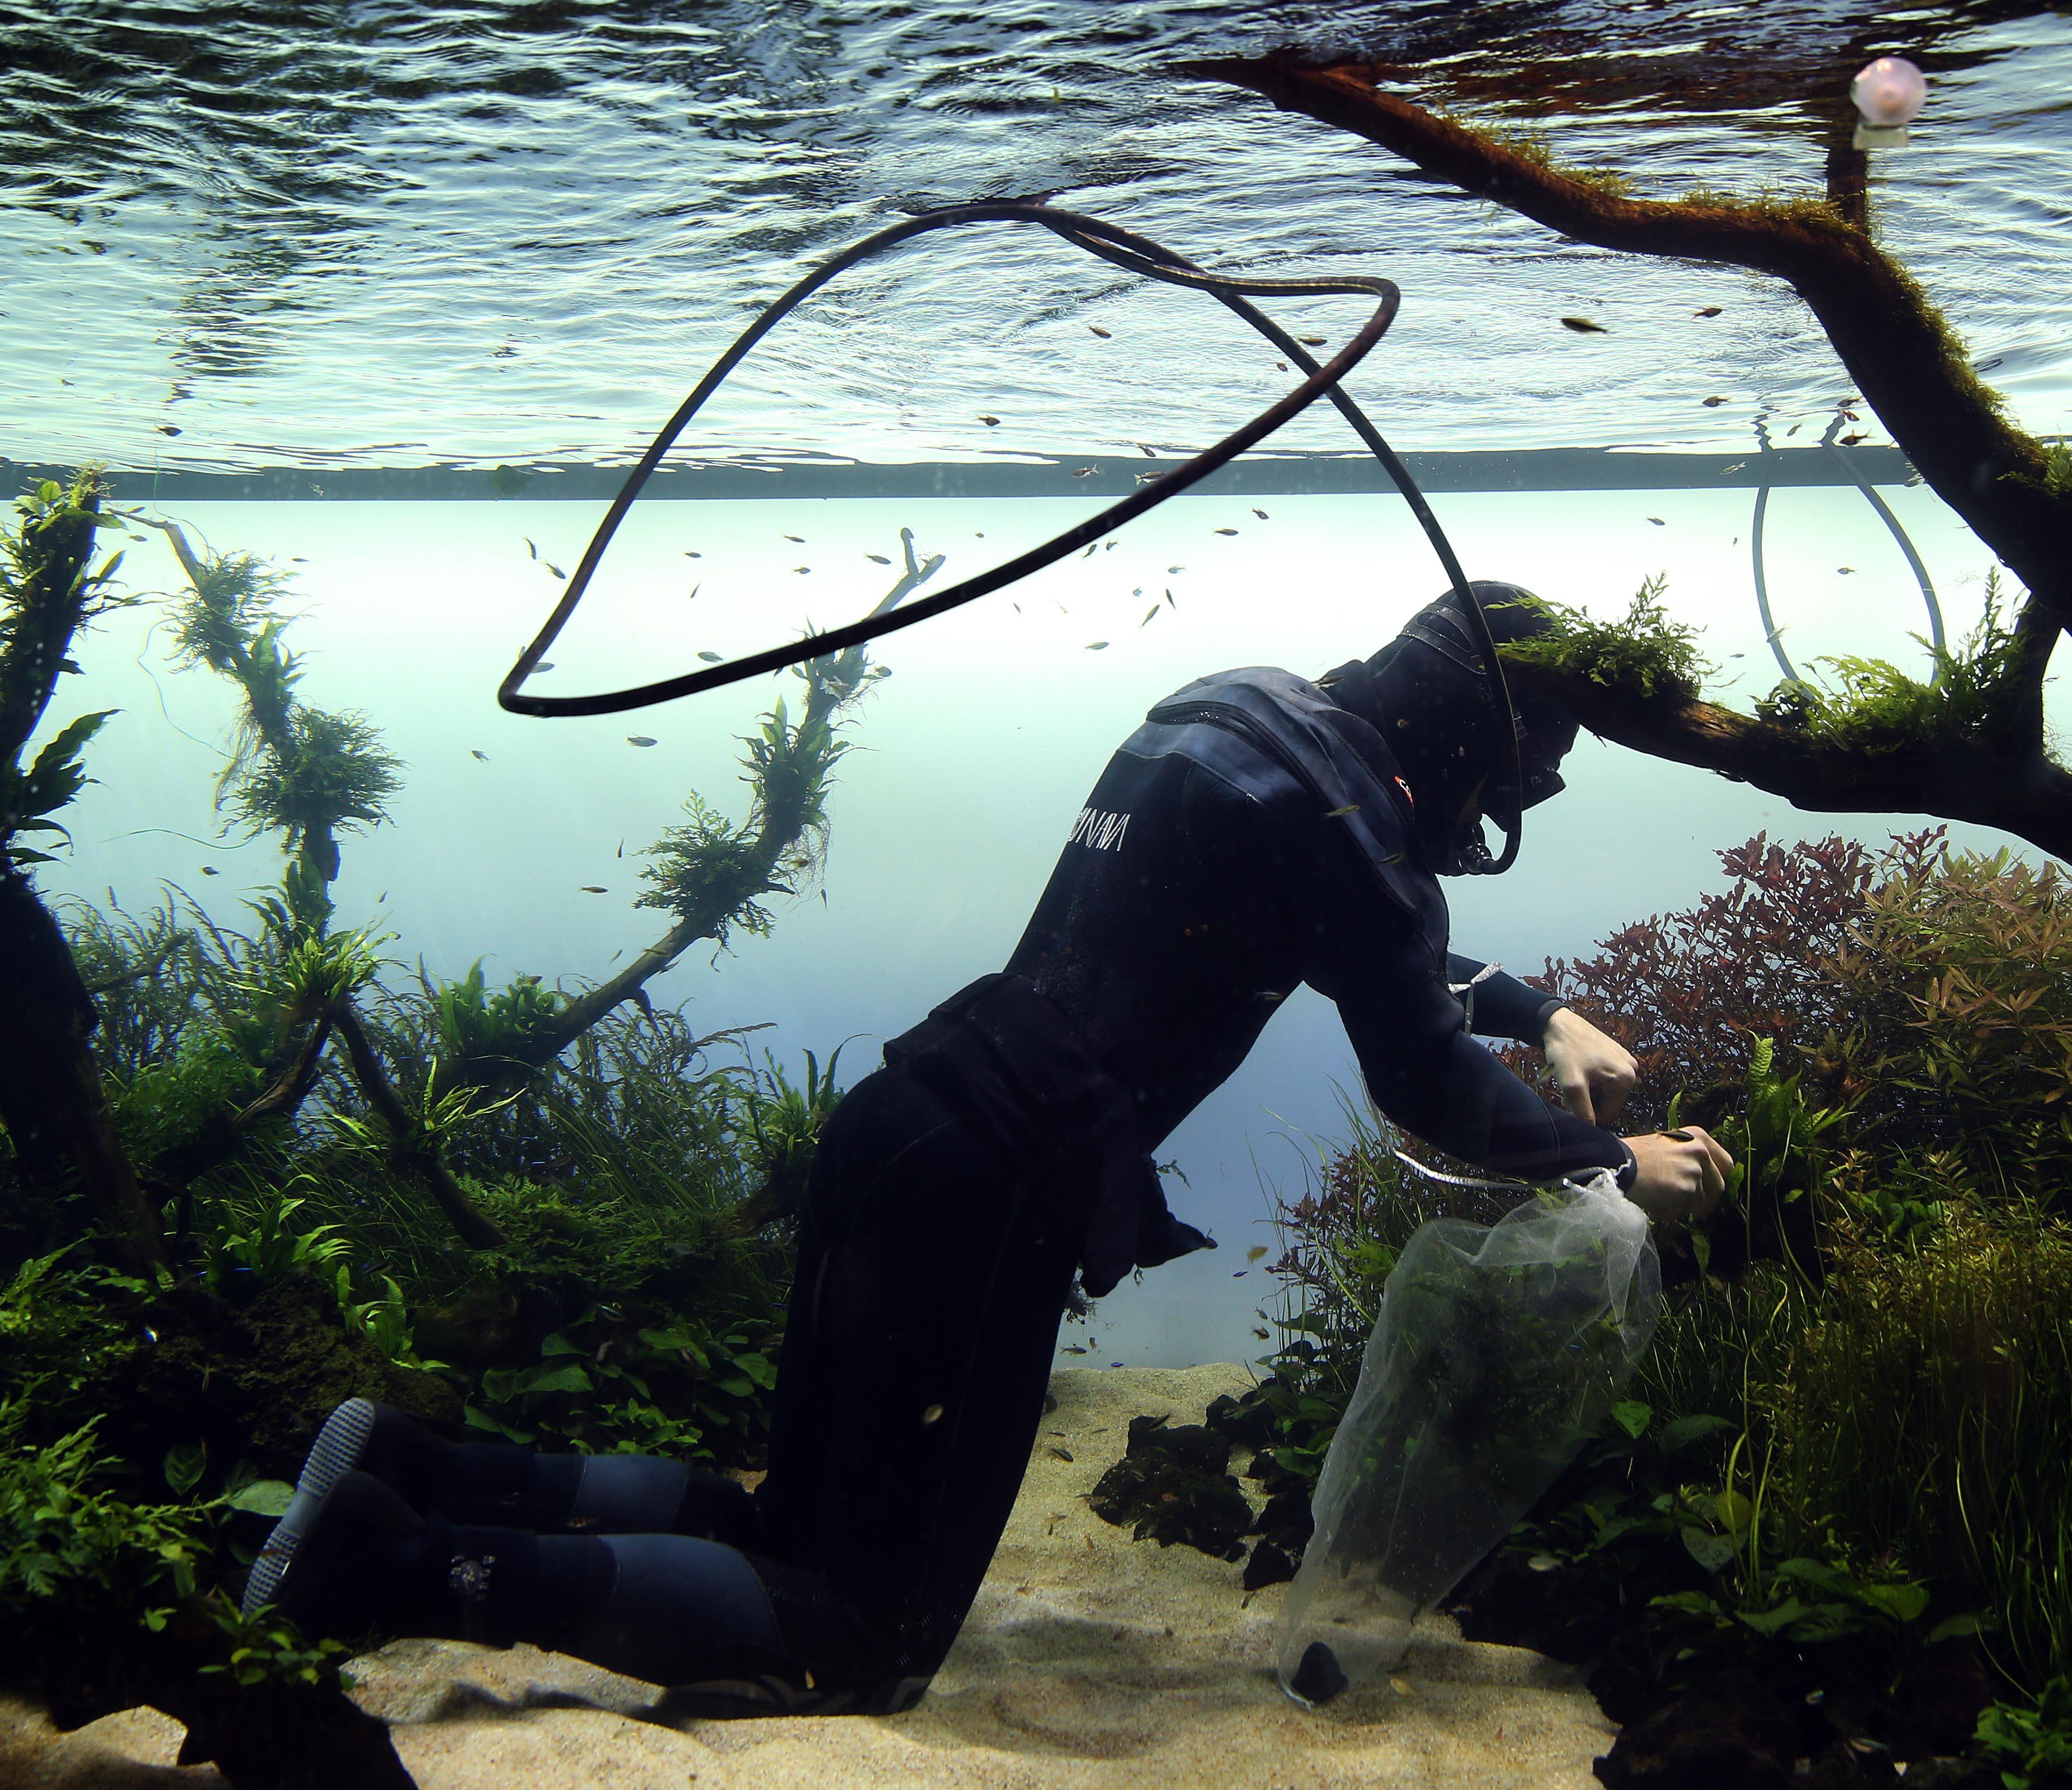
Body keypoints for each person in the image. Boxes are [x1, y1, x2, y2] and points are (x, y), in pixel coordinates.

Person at [241, 580, 1733, 1715]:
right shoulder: (1358, 844)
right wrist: (1613, 1165)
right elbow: (1428, 1084)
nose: (1498, 813)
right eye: (1515, 780)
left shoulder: (1231, 711)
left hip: (901, 1124)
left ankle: (421, 1462)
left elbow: (1337, 936)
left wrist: (1539, 1009)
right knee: (859, 1638)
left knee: (796, 1525)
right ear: (1474, 742)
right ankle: (395, 1566)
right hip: (989, 1201)